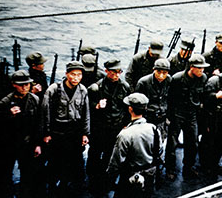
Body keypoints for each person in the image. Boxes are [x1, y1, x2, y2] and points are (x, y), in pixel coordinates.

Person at [41, 61, 90, 197]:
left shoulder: (83, 90)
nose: (76, 78)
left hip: (74, 132)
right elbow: (45, 113)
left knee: (75, 163)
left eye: (79, 75)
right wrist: (46, 133)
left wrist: (85, 133)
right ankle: (52, 188)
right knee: (55, 162)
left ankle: (69, 187)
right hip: (57, 133)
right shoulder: (53, 90)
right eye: (73, 74)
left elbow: (86, 113)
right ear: (67, 74)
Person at [0, 70, 41, 198]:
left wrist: (37, 144)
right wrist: (8, 116)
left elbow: (37, 124)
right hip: (8, 144)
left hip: (27, 143)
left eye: (27, 84)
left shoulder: (34, 99)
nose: (25, 87)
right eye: (21, 84)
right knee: (4, 176)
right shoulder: (4, 103)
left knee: (28, 175)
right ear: (14, 85)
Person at [86, 59, 130, 195]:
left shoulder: (125, 87)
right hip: (99, 127)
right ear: (106, 71)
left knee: (110, 155)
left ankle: (104, 180)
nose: (117, 75)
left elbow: (128, 108)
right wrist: (97, 106)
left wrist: (125, 125)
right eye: (114, 72)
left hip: (116, 127)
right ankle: (91, 178)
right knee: (94, 153)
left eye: (119, 72)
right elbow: (87, 108)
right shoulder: (96, 88)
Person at [106, 93, 162, 198]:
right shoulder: (154, 129)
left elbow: (115, 162)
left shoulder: (125, 134)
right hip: (149, 177)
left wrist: (110, 181)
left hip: (129, 180)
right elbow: (159, 151)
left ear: (130, 109)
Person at [165, 54, 209, 180]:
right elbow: (170, 99)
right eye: (199, 68)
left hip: (192, 114)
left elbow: (202, 98)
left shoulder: (203, 78)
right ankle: (170, 169)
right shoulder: (177, 79)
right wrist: (170, 117)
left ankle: (188, 167)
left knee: (192, 143)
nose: (202, 71)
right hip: (177, 114)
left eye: (203, 68)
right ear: (191, 67)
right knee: (172, 144)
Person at [135, 58, 172, 140]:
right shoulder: (143, 82)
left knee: (159, 142)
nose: (161, 76)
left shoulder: (169, 80)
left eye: (164, 73)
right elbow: (137, 104)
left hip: (162, 118)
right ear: (154, 70)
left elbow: (171, 100)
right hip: (148, 119)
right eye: (158, 72)